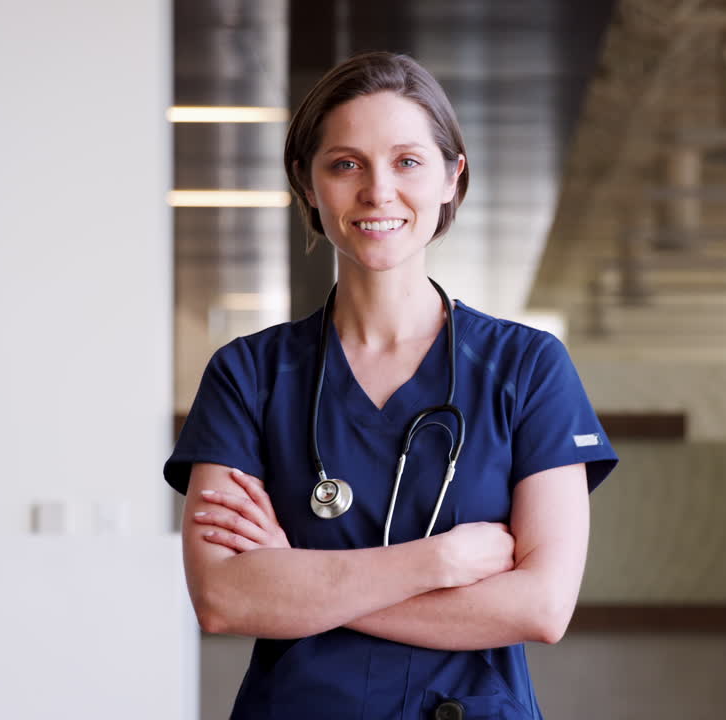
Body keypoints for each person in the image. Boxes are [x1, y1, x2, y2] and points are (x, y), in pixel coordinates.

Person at [164, 51, 618, 720]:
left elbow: (543, 607)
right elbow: (225, 599)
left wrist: (303, 582)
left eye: (407, 161)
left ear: (450, 177)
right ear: (308, 182)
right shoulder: (248, 375)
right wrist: (442, 561)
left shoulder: (528, 368)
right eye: (345, 164)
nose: (378, 191)